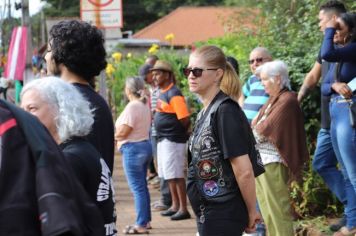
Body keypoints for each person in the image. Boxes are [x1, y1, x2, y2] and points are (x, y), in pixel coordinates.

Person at [20, 77, 117, 236]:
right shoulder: (81, 149)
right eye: (22, 110)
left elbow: (60, 223)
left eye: (32, 108)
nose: (24, 116)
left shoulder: (69, 158)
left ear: (60, 109)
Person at [185, 45, 264, 236]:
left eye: (197, 71)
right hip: (210, 212)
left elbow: (243, 170)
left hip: (223, 212)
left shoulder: (225, 111)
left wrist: (252, 210)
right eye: (187, 70)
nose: (191, 76)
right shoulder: (207, 110)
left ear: (218, 74)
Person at [0, 99, 104, 235]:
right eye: (22, 107)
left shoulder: (72, 156)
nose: (25, 113)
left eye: (32, 108)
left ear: (60, 111)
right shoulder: (75, 150)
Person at [297, 1, 348, 231]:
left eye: (321, 20)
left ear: (334, 19)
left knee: (349, 170)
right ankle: (351, 206)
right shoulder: (326, 45)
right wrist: (296, 99)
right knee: (322, 163)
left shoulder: (347, 44)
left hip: (346, 119)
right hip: (328, 121)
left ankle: (352, 214)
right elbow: (313, 75)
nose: (319, 25)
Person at [45, 20, 115, 172]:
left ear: (61, 55)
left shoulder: (65, 101)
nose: (45, 57)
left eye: (49, 50)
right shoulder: (97, 101)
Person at [252, 61, 309, 236]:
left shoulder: (287, 100)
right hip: (261, 160)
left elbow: (261, 131)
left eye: (264, 80)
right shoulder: (272, 100)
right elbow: (254, 125)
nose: (262, 84)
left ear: (277, 79)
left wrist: (253, 129)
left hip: (273, 162)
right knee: (267, 209)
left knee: (278, 210)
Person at [321, 12, 356, 236]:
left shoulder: (353, 49)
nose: (333, 32)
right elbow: (324, 87)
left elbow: (326, 53)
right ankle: (353, 222)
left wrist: (328, 28)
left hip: (348, 112)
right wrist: (334, 86)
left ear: (351, 32)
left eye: (338, 28)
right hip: (335, 111)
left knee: (353, 173)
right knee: (345, 173)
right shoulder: (340, 57)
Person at [151, 60, 191, 221]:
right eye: (153, 74)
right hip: (164, 139)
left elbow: (185, 118)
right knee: (168, 174)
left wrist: (175, 130)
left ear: (168, 75)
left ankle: (183, 208)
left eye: (158, 73)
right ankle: (174, 205)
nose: (154, 77)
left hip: (173, 140)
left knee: (176, 174)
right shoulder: (163, 92)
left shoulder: (174, 93)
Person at [115, 76, 153, 234]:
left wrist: (113, 135)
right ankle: (145, 220)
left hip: (133, 148)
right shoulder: (143, 105)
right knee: (142, 187)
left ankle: (141, 223)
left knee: (138, 188)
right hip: (143, 145)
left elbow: (124, 131)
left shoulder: (133, 106)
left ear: (128, 89)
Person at [238, 47, 272, 122]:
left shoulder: (274, 80)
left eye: (259, 60)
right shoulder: (252, 79)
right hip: (245, 127)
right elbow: (240, 93)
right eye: (251, 61)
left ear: (270, 61)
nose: (255, 64)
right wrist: (242, 107)